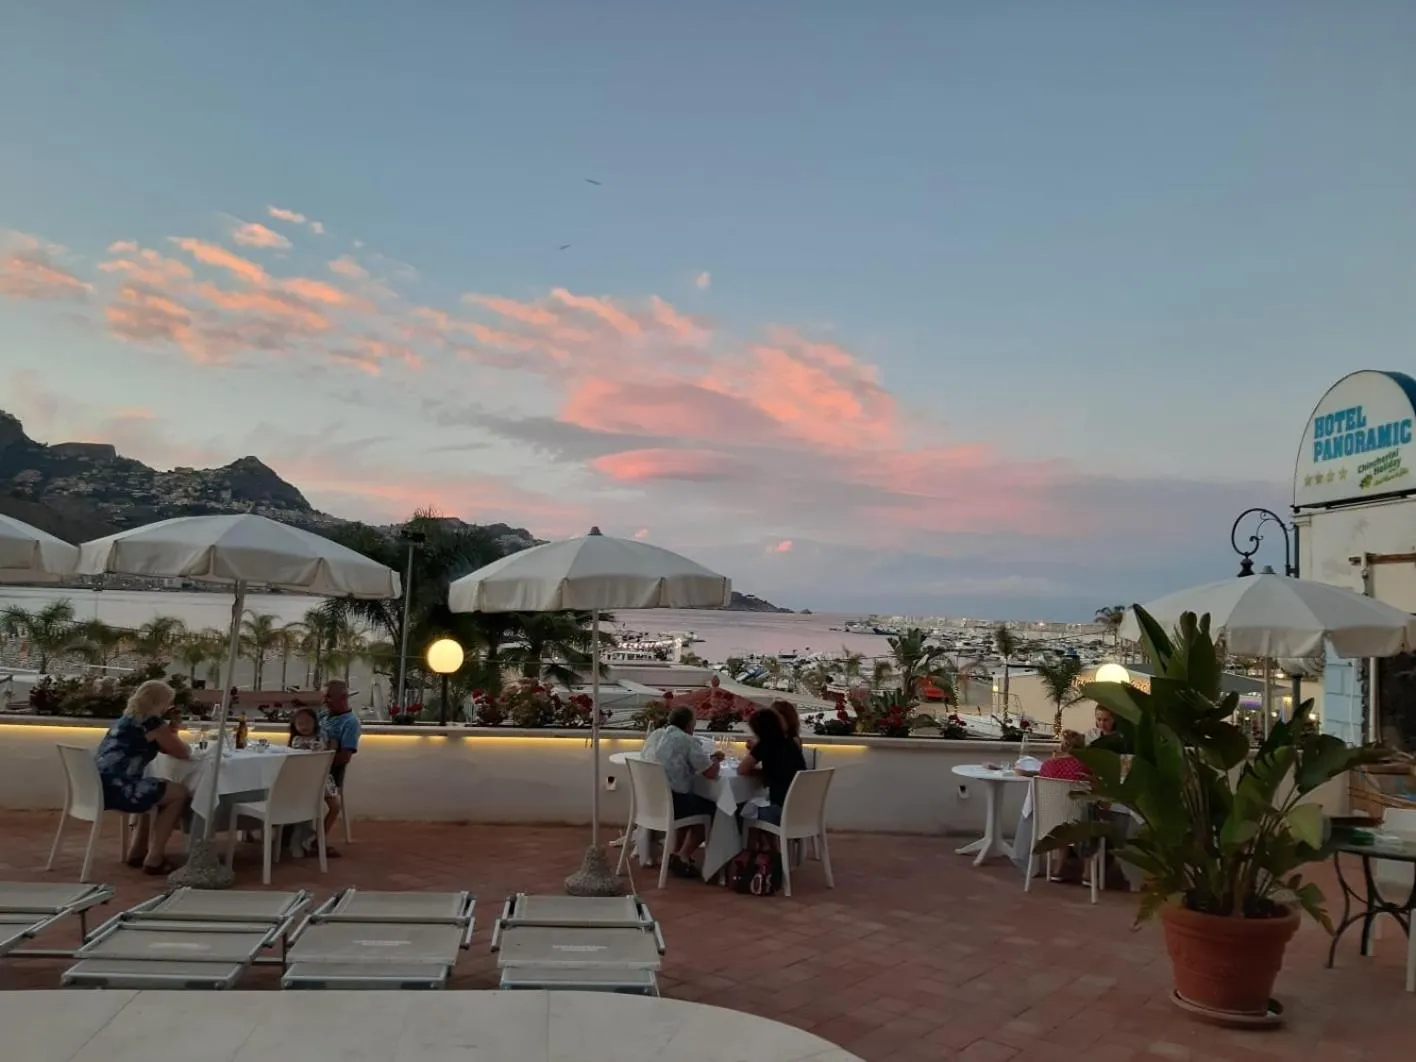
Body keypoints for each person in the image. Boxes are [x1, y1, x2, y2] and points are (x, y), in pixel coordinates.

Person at [93, 679, 191, 874]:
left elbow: (164, 746)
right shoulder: (151, 722)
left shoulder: (128, 718)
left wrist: (170, 731)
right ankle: (154, 858)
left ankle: (137, 851)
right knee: (179, 793)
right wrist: (171, 732)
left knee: (152, 788)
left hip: (99, 786)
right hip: (119, 790)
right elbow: (183, 753)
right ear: (160, 702)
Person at [651, 705, 723, 878]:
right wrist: (716, 761)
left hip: (653, 801)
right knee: (713, 810)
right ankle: (683, 855)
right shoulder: (687, 740)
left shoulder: (658, 736)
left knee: (690, 800)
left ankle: (675, 853)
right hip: (674, 803)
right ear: (690, 724)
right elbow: (710, 773)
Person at [738, 706, 806, 826]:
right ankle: (769, 839)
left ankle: (747, 839)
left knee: (739, 808)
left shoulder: (765, 744)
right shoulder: (792, 742)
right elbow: (782, 768)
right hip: (801, 809)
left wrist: (757, 767)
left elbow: (742, 769)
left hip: (779, 811)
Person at [289, 706, 342, 857]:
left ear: (315, 722)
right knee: (305, 810)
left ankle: (319, 838)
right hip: (304, 781)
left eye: (308, 722)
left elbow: (329, 753)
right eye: (300, 723)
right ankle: (305, 840)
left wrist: (331, 742)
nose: (304, 726)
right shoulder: (296, 741)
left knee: (335, 806)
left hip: (322, 779)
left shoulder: (322, 737)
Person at [319, 680, 359, 837]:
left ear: (343, 697)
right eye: (324, 696)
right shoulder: (323, 715)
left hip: (329, 774)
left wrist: (318, 760)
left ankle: (317, 839)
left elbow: (344, 758)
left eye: (329, 696)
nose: (324, 700)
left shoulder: (350, 723)